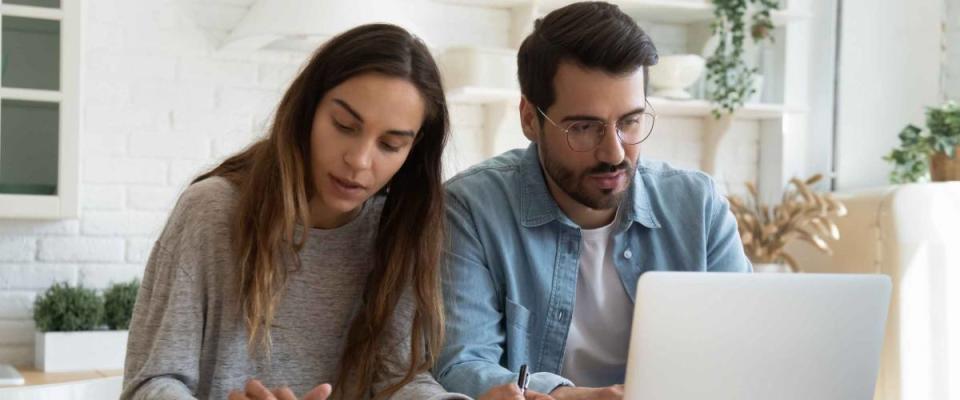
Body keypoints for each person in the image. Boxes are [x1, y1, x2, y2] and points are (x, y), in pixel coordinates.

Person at [120, 23, 544, 400]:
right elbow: (151, 382)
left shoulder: (397, 230)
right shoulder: (211, 212)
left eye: (390, 145)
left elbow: (398, 381)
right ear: (308, 111)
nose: (359, 160)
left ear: (412, 153)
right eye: (344, 125)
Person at [434, 2, 752, 399]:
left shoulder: (698, 207)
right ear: (530, 119)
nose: (614, 152)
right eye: (584, 127)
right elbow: (461, 363)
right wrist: (565, 396)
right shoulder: (470, 209)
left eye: (630, 121)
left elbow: (744, 352)